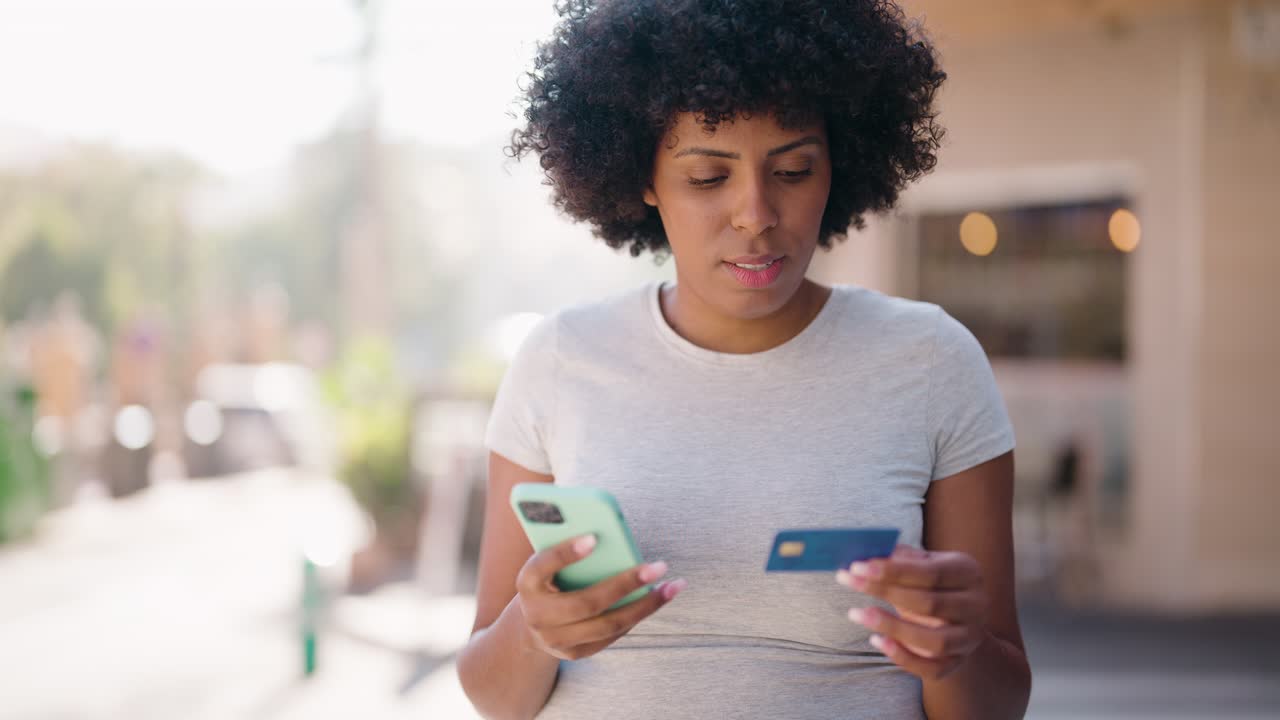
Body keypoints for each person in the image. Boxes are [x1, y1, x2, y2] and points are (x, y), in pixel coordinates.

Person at [457, 1, 1031, 718]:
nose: (756, 212)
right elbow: (490, 692)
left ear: (838, 166)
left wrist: (957, 645)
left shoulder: (930, 361)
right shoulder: (560, 359)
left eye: (792, 169)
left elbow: (1000, 702)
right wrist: (535, 629)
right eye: (707, 177)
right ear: (643, 177)